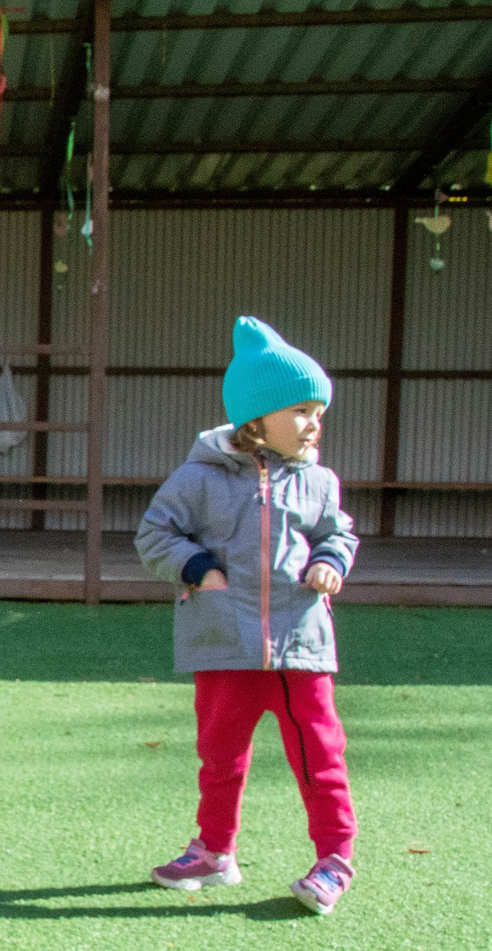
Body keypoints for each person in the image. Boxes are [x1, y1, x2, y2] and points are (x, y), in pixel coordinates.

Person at [135, 317, 360, 916]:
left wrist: (331, 561)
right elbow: (155, 534)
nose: (316, 424)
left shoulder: (319, 483)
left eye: (320, 411)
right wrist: (197, 568)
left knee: (320, 756)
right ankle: (214, 852)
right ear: (257, 420)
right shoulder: (196, 478)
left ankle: (335, 858)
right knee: (221, 755)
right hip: (221, 642)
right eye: (303, 411)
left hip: (300, 646)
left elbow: (338, 535)